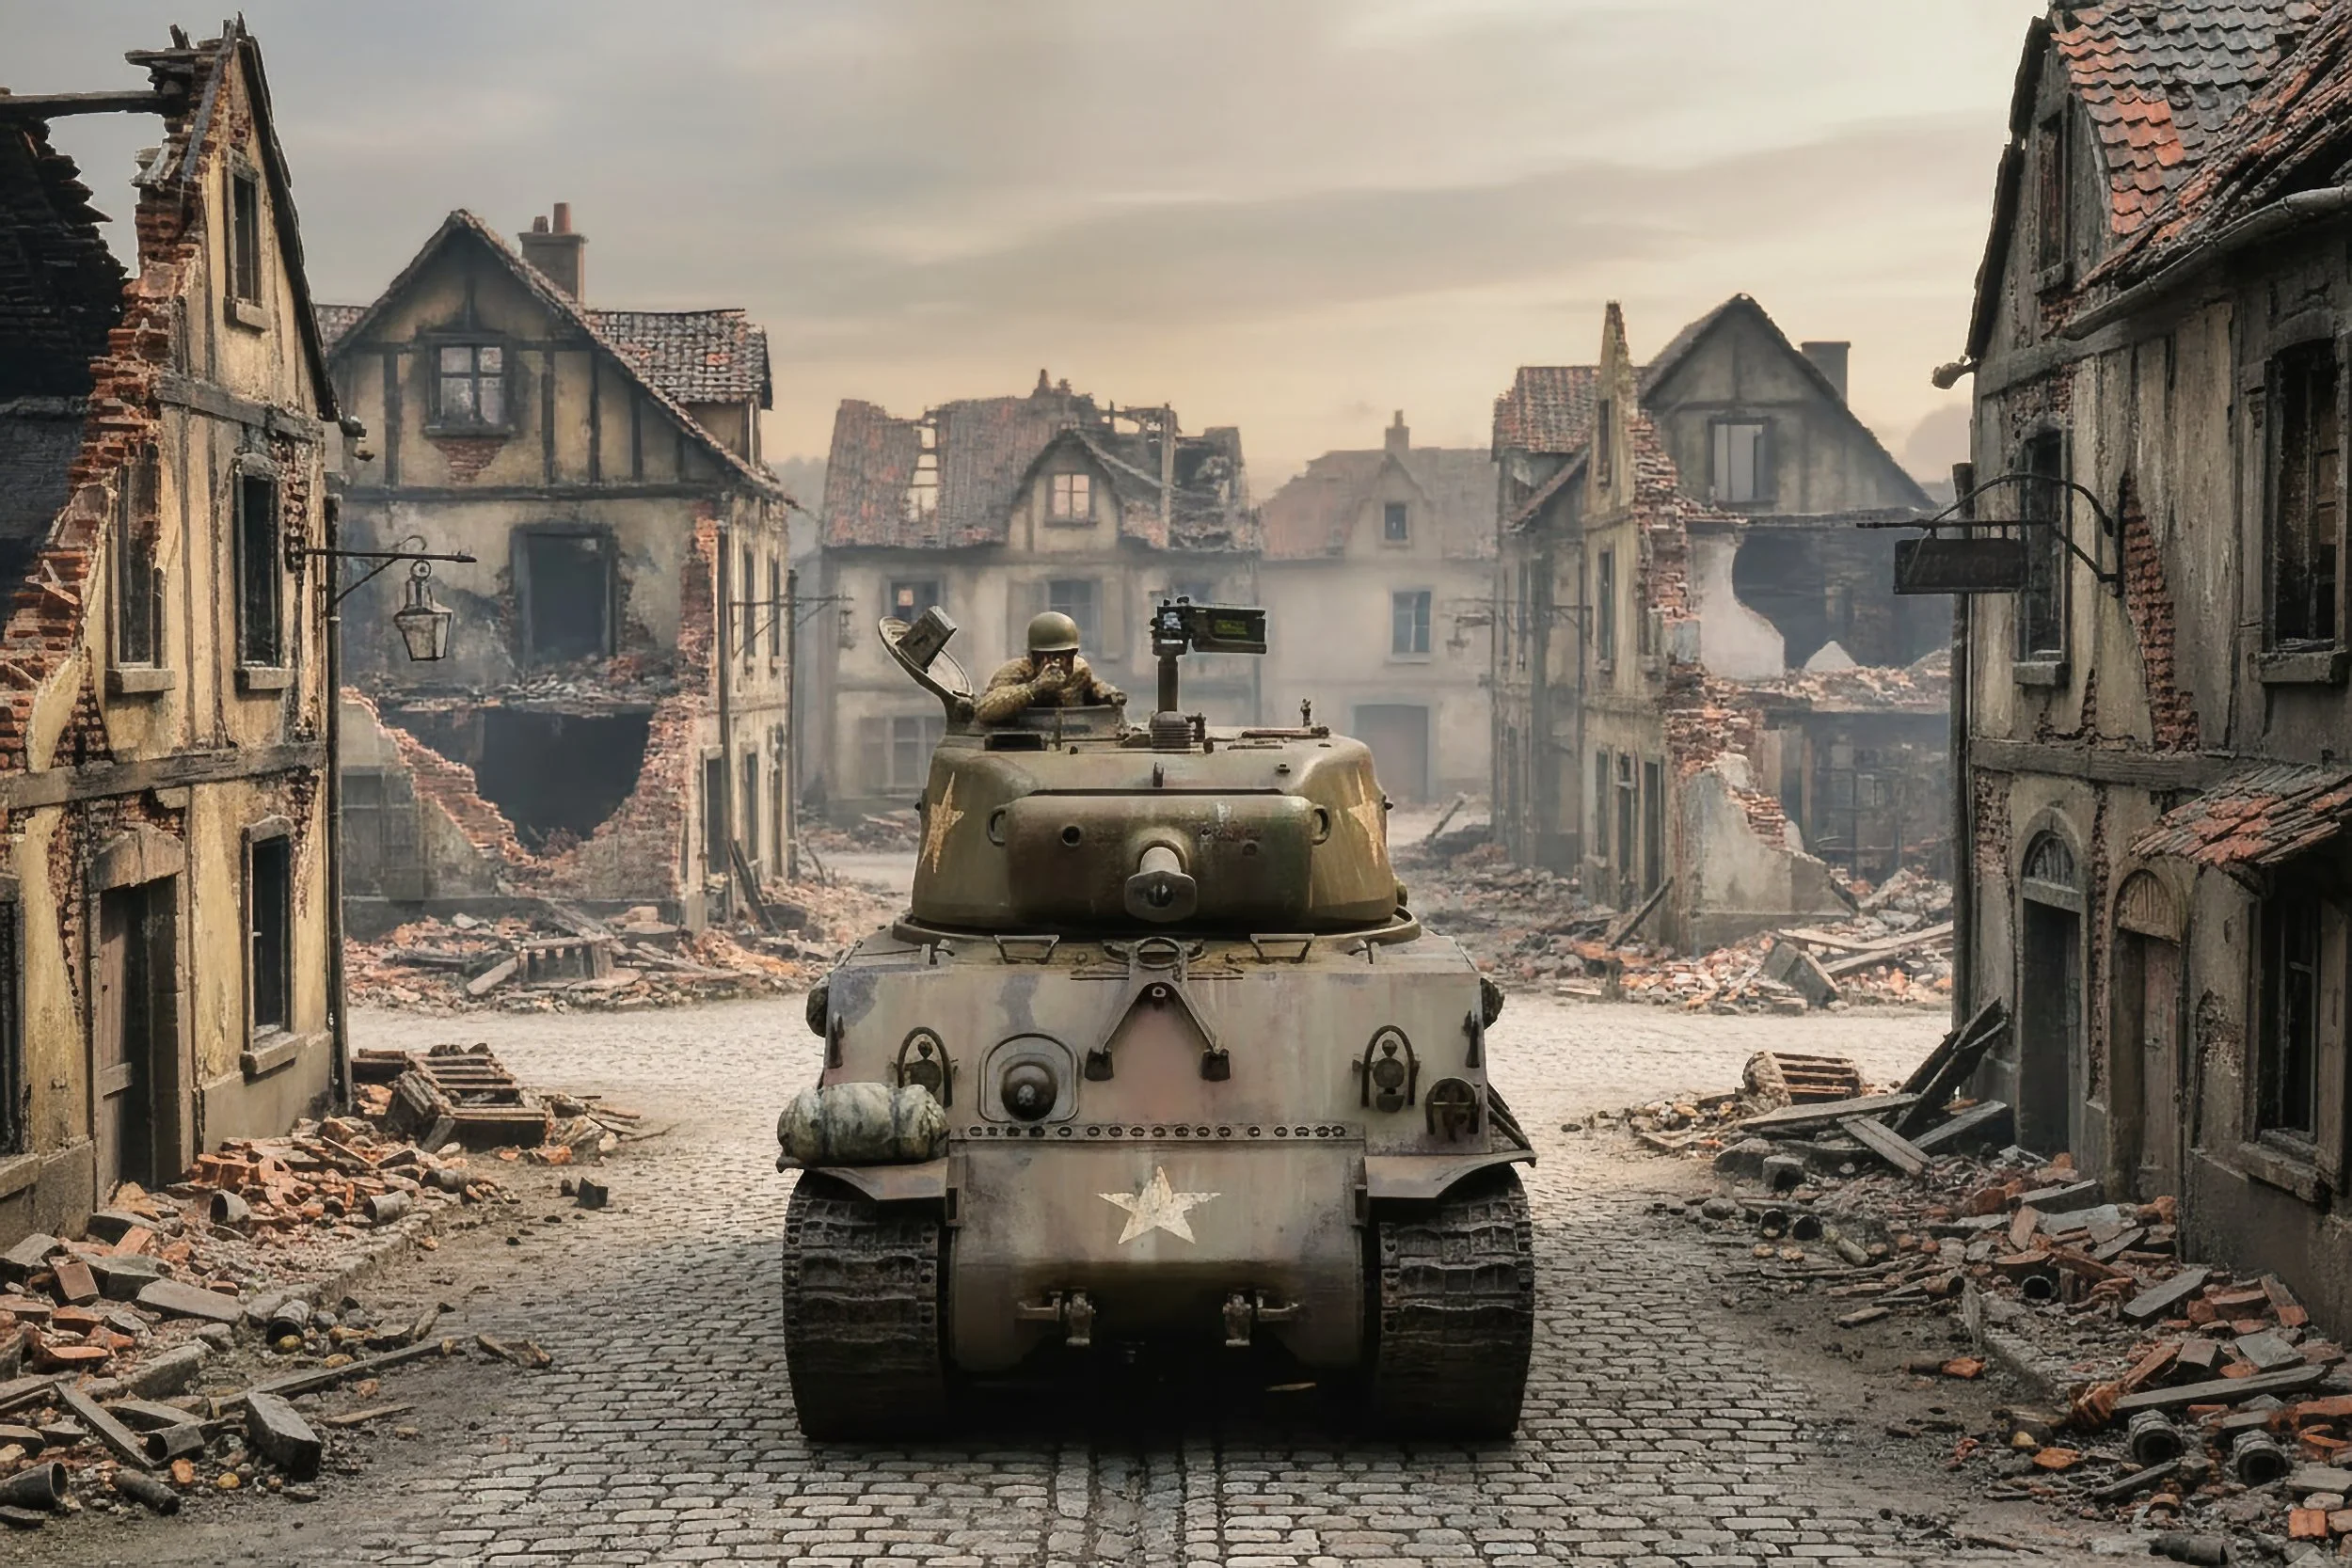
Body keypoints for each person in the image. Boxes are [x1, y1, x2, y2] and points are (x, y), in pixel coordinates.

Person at [976, 611, 1123, 722]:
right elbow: (985, 710)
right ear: (1036, 657)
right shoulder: (1016, 672)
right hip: (1019, 738)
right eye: (1053, 656)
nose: (1062, 663)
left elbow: (1093, 687)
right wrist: (1035, 688)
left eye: (1069, 655)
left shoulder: (1079, 670)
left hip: (1072, 735)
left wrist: (1103, 692)